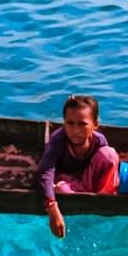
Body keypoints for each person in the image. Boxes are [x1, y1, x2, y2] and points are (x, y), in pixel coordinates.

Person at [36, 95, 120, 238]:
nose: (75, 130)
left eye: (82, 124)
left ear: (95, 124)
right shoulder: (58, 140)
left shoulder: (99, 141)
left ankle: (103, 201)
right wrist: (52, 208)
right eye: (70, 123)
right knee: (60, 189)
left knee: (109, 155)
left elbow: (107, 166)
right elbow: (45, 171)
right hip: (67, 182)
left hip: (88, 179)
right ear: (64, 123)